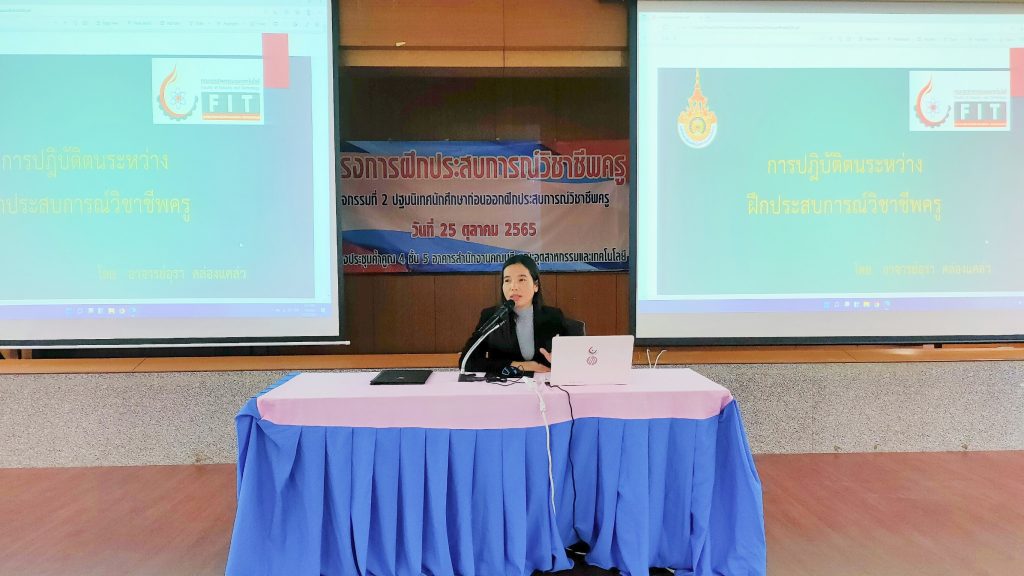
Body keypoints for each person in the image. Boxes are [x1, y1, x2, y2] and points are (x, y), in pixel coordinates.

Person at [458, 254, 568, 374]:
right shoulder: (491, 316)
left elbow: (573, 358)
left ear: (535, 285)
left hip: (544, 383)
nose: (513, 287)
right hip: (504, 383)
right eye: (507, 280)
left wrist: (560, 360)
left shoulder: (553, 317)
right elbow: (467, 361)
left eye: (521, 280)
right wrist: (520, 365)